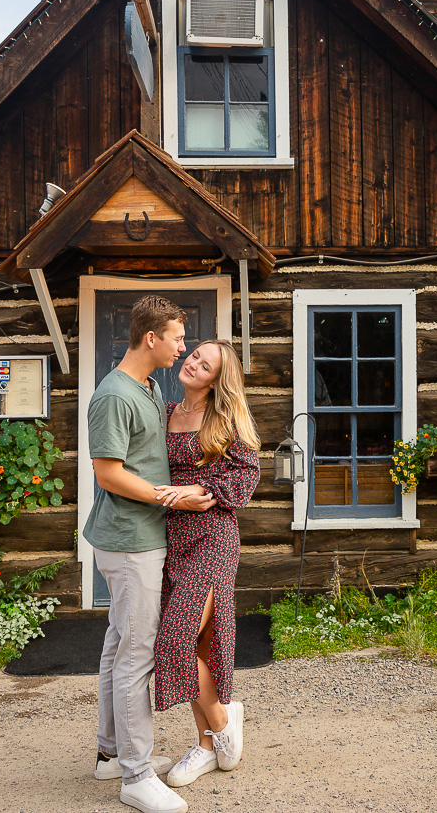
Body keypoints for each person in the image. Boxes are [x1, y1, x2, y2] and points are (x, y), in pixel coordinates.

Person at [84, 295, 212, 813]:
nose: (183, 348)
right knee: (138, 657)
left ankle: (111, 754)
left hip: (140, 538)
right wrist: (173, 496)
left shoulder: (149, 386)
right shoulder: (113, 395)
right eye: (178, 338)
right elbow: (108, 473)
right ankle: (137, 777)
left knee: (119, 647)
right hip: (129, 542)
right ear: (151, 338)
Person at [150, 338, 260, 788]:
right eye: (193, 354)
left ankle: (222, 726)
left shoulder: (225, 417)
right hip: (171, 537)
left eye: (206, 363)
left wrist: (206, 493)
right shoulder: (165, 410)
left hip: (212, 537)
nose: (193, 363)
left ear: (218, 378)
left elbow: (248, 472)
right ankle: (206, 746)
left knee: (174, 639)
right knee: (195, 646)